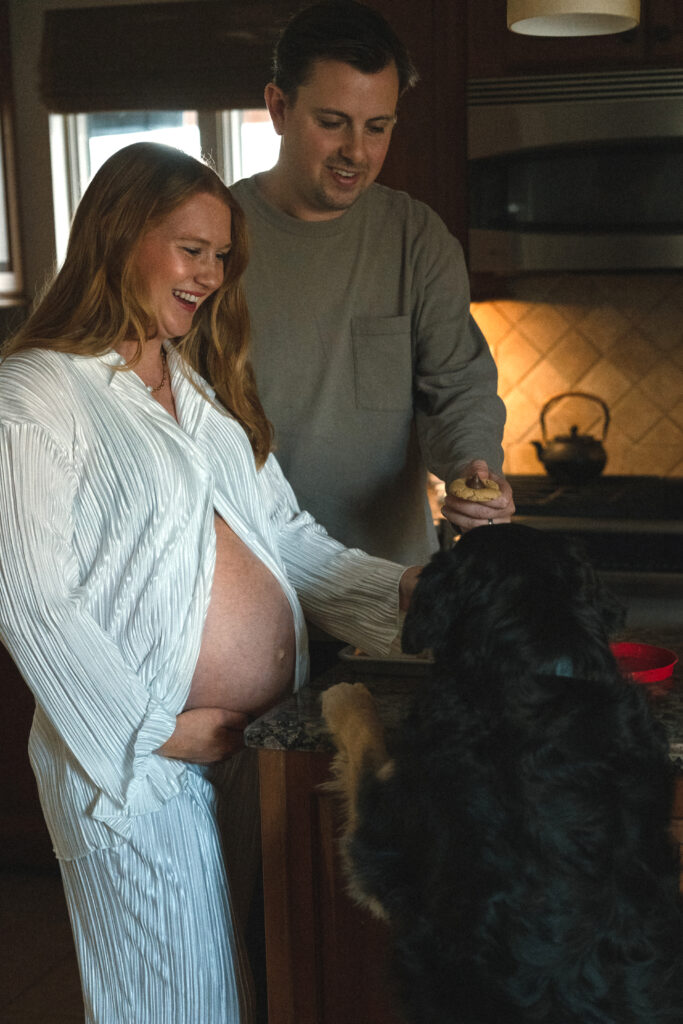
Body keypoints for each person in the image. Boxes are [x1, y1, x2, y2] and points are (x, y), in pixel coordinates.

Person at [0, 142, 419, 1024]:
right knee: (175, 1005)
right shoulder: (36, 392)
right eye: (191, 249)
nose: (211, 275)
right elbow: (30, 599)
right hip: (137, 764)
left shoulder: (190, 386)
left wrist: (412, 602)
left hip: (244, 751)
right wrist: (156, 732)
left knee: (240, 993)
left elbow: (289, 546)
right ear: (118, 237)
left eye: (221, 256)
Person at [231, 0, 515, 569]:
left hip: (391, 585)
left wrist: (472, 466)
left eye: (377, 127)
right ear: (279, 108)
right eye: (332, 122)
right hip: (247, 583)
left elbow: (457, 388)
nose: (356, 152)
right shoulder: (215, 237)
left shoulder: (417, 238)